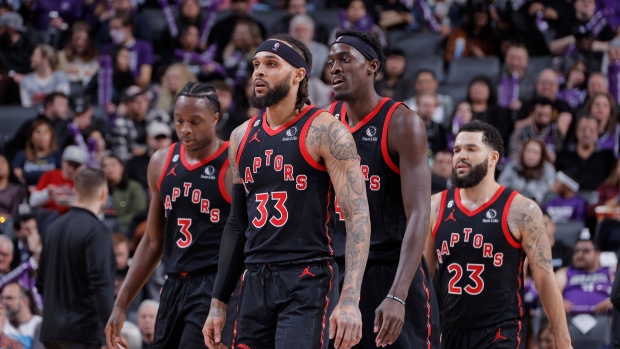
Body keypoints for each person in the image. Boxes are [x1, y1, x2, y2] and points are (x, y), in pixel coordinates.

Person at [203, 34, 371, 349]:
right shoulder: (240, 137)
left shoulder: (326, 130)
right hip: (254, 279)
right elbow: (237, 224)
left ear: (298, 74)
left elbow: (357, 214)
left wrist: (350, 298)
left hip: (307, 276)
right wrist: (218, 301)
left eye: (271, 64)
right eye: (256, 65)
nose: (259, 72)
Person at [327, 29, 440, 349]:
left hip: (391, 267)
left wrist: (398, 293)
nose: (335, 67)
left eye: (345, 59)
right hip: (343, 271)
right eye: (332, 61)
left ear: (372, 66)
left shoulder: (402, 122)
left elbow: (420, 213)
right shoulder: (326, 122)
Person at [106, 82, 233, 348]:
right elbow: (153, 242)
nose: (185, 129)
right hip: (173, 283)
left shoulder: (233, 161)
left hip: (214, 287)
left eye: (195, 121)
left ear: (214, 119)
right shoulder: (161, 161)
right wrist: (120, 304)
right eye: (179, 121)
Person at [424, 121, 572, 349]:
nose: (461, 156)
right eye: (457, 150)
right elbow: (424, 279)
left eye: (471, 149)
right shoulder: (435, 206)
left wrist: (563, 342)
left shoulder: (522, 210)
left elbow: (544, 280)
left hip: (500, 332)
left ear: (493, 158)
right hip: (450, 331)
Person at [37, 168, 115, 349]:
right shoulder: (97, 231)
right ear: (103, 194)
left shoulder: (52, 228)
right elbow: (101, 285)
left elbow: (40, 282)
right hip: (82, 333)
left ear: (76, 191)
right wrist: (112, 333)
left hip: (50, 332)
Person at [555, 115, 615, 191]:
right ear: (576, 131)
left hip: (597, 200)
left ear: (597, 132)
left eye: (591, 130)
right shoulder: (563, 155)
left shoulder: (607, 157)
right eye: (583, 129)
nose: (587, 134)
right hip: (568, 200)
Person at [556, 239, 615, 315]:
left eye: (586, 251)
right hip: (570, 318)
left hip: (606, 318)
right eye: (577, 251)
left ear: (597, 254)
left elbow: (618, 294)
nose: (579, 255)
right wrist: (560, 302)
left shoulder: (610, 271)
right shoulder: (564, 272)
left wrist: (610, 301)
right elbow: (550, 294)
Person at [29, 145, 85, 215]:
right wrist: (47, 194)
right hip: (48, 216)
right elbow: (32, 202)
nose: (71, 169)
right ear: (62, 161)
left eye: (75, 166)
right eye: (69, 164)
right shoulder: (49, 175)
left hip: (71, 217)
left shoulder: (83, 182)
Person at [498, 138, 556, 204]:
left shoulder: (548, 170)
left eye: (535, 153)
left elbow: (548, 193)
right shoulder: (512, 166)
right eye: (528, 151)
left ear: (541, 156)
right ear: (523, 152)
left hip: (538, 208)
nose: (531, 157)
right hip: (511, 204)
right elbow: (501, 186)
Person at [101, 155, 147, 234]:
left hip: (124, 225)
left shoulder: (134, 187)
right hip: (103, 222)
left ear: (122, 167)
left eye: (113, 165)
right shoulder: (99, 187)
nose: (109, 169)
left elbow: (139, 211)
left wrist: (119, 221)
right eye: (105, 166)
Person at [12, 120, 60, 191]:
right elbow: (17, 176)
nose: (42, 136)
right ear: (31, 137)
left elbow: (62, 175)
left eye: (45, 132)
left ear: (51, 136)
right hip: (27, 192)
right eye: (38, 132)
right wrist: (27, 189)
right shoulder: (22, 155)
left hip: (51, 192)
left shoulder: (57, 154)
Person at [0, 155, 28, 220]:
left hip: (5, 225)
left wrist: (1, 218)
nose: (0, 165)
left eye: (2, 162)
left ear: (9, 166)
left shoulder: (18, 190)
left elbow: (16, 217)